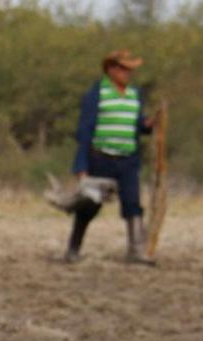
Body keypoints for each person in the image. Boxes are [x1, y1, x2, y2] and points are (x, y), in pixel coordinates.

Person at [62, 49, 158, 264]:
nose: (127, 74)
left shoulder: (135, 95)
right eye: (123, 69)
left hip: (128, 159)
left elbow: (138, 124)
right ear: (111, 70)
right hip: (100, 158)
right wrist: (81, 165)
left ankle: (136, 251)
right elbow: (85, 130)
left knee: (132, 202)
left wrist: (148, 124)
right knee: (90, 204)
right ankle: (73, 248)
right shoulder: (96, 94)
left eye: (129, 70)